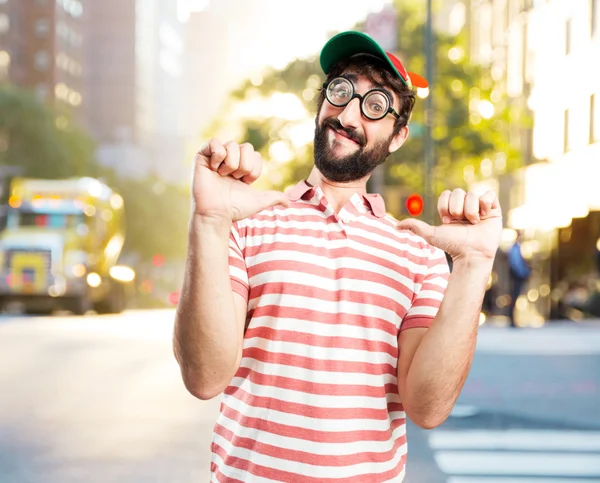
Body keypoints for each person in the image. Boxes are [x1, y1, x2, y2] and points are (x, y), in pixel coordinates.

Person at [173, 31, 502, 482]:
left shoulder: (418, 254)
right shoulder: (245, 223)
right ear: (321, 102)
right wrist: (209, 221)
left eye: (375, 105)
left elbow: (427, 408)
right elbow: (204, 378)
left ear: (398, 135)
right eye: (341, 91)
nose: (348, 114)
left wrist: (474, 264)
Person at [507, 232, 531, 327]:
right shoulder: (515, 249)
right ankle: (512, 320)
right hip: (517, 276)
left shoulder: (516, 248)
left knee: (514, 297)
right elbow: (516, 264)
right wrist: (524, 273)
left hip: (517, 275)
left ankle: (512, 319)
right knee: (514, 297)